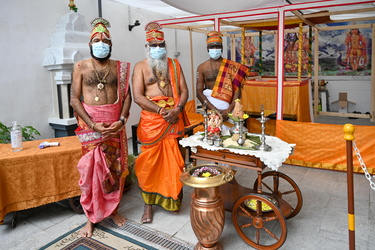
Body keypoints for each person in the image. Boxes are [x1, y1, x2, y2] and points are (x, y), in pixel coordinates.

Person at [70, 17, 132, 237]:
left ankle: (114, 211)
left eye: (106, 40)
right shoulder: (80, 67)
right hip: (91, 127)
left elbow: (127, 98)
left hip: (116, 126)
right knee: (90, 173)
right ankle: (90, 217)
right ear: (89, 44)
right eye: (97, 39)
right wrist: (93, 124)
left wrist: (122, 120)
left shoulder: (120, 68)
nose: (101, 43)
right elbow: (74, 100)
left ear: (111, 45)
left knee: (115, 171)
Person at [131, 22, 189, 224]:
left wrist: (177, 110)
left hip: (173, 118)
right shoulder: (140, 67)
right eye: (154, 45)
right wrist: (161, 111)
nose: (158, 48)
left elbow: (184, 91)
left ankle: (173, 200)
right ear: (147, 47)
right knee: (148, 165)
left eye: (161, 44)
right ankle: (148, 206)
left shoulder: (174, 64)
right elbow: (138, 97)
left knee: (175, 163)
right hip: (152, 121)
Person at [196, 31, 249, 123]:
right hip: (211, 109)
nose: (215, 49)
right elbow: (199, 92)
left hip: (230, 108)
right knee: (213, 133)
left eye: (218, 46)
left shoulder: (232, 66)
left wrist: (228, 110)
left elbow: (237, 91)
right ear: (207, 48)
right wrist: (214, 110)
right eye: (212, 46)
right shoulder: (202, 67)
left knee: (232, 135)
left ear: (222, 48)